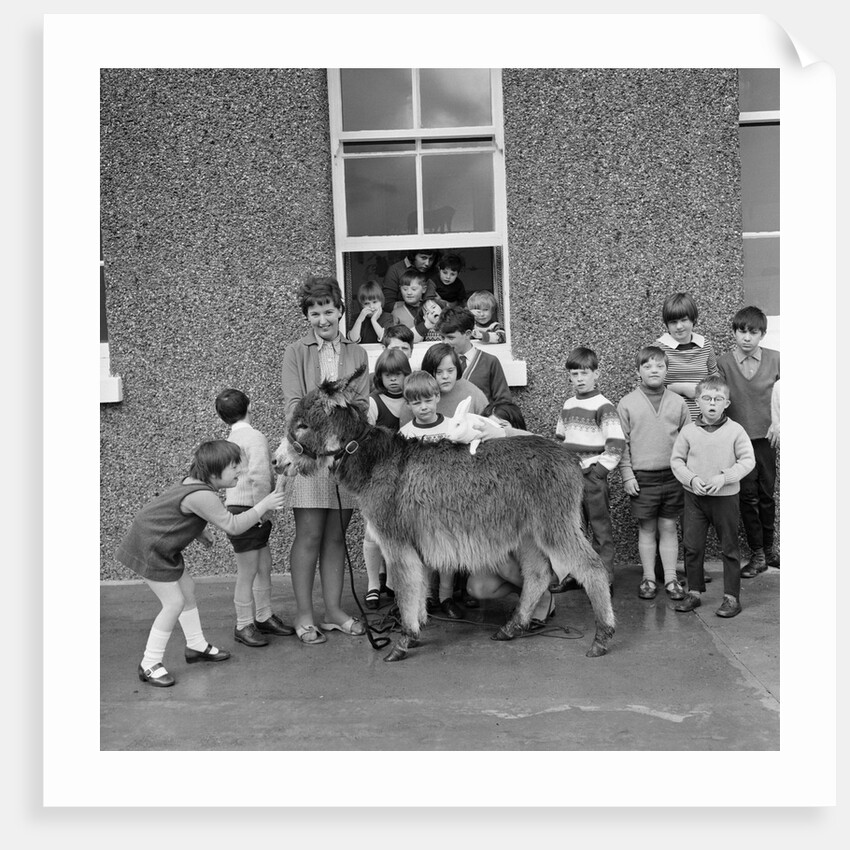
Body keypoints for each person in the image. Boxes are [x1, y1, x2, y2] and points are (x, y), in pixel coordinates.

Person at [116, 440, 287, 687]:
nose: (240, 471)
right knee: (173, 603)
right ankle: (149, 663)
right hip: (150, 549)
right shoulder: (202, 494)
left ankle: (196, 646)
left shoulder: (193, 484)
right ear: (214, 473)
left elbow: (172, 511)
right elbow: (233, 525)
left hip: (160, 545)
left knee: (187, 591)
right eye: (234, 467)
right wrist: (264, 505)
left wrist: (197, 531)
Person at [281, 276, 370, 645]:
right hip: (311, 453)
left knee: (336, 536)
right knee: (309, 535)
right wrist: (327, 419)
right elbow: (293, 406)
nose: (322, 319)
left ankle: (333, 612)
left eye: (328, 311)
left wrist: (342, 421)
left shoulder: (358, 353)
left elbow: (362, 404)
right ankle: (304, 615)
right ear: (307, 316)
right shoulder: (295, 352)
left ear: (340, 311)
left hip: (346, 454)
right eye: (314, 313)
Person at [214, 389, 295, 647]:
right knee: (248, 571)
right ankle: (243, 624)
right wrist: (265, 508)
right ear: (250, 406)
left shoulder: (231, 437)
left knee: (263, 565)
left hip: (241, 508)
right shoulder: (255, 436)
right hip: (251, 510)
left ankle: (263, 616)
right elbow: (260, 474)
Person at [670, 375, 755, 619]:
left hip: (725, 498)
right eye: (707, 398)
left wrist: (725, 477)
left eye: (718, 399)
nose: (712, 403)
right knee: (692, 547)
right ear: (697, 401)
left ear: (726, 404)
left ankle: (731, 597)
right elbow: (676, 461)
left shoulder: (736, 431)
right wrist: (692, 479)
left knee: (729, 547)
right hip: (695, 499)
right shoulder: (688, 432)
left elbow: (748, 460)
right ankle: (694, 592)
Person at [616, 347, 690, 601]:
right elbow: (621, 443)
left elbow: (688, 440)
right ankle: (648, 578)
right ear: (638, 371)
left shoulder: (678, 403)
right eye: (647, 366)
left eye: (659, 366)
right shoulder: (627, 403)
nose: (654, 370)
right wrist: (627, 475)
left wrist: (686, 473)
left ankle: (670, 578)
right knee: (647, 528)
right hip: (642, 477)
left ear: (667, 370)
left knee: (669, 526)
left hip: (672, 475)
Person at [551, 346, 624, 592]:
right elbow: (561, 440)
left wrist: (599, 472)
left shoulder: (604, 406)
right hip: (570, 479)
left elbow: (616, 444)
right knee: (575, 530)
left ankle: (604, 578)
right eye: (574, 374)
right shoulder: (568, 404)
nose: (579, 379)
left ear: (596, 374)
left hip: (593, 478)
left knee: (600, 528)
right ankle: (577, 574)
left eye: (584, 373)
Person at [716, 306, 781, 575]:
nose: (746, 337)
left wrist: (781, 422)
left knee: (767, 495)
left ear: (762, 334)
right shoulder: (724, 364)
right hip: (739, 443)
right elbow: (716, 398)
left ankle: (771, 549)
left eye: (753, 332)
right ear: (734, 332)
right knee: (748, 497)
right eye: (741, 331)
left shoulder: (777, 360)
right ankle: (756, 554)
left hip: (766, 440)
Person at [362, 347, 412, 609]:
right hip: (378, 474)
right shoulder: (373, 402)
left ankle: (393, 582)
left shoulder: (412, 399)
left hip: (405, 475)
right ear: (379, 377)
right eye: (387, 375)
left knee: (397, 532)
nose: (393, 380)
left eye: (399, 374)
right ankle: (373, 583)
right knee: (373, 532)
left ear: (407, 375)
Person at [655, 292, 718, 422]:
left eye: (684, 320)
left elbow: (715, 379)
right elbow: (646, 388)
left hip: (703, 422)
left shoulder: (705, 345)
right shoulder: (657, 349)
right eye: (673, 322)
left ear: (693, 319)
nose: (679, 326)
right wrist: (678, 388)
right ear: (666, 324)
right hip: (669, 422)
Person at [398, 342, 488, 427]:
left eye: (450, 371)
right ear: (428, 371)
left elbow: (488, 426)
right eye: (439, 372)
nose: (445, 376)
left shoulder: (472, 392)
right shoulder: (416, 392)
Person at [435, 306, 511, 404]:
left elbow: (504, 401)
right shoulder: (437, 361)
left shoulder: (489, 362)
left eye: (450, 338)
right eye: (442, 337)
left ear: (467, 334)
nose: (445, 342)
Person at [347, 279, 396, 344]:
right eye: (367, 303)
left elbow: (387, 339)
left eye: (374, 302)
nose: (371, 306)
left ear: (381, 301)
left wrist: (374, 321)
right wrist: (359, 320)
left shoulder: (387, 317)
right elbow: (353, 340)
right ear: (361, 305)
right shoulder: (356, 318)